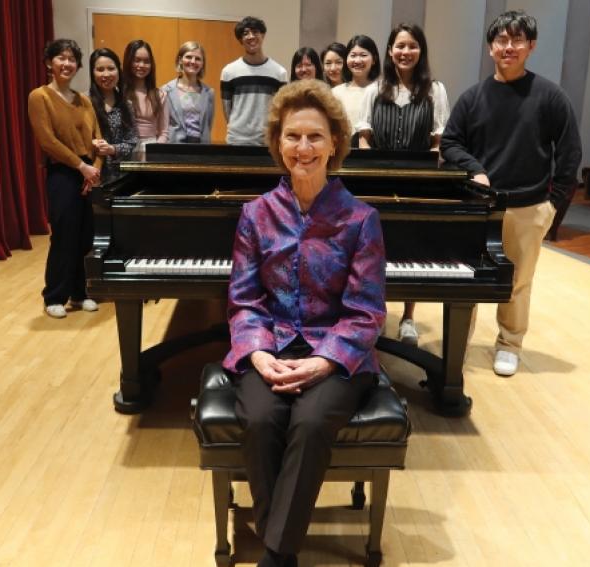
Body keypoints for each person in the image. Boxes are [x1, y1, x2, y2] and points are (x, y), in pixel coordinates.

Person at [223, 79, 386, 567]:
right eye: (293, 136)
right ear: (278, 143)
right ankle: (283, 549)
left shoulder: (361, 219)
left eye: (315, 136)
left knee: (312, 422)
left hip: (337, 354)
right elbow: (244, 299)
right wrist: (258, 353)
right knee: (258, 417)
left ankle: (276, 555)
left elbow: (366, 310)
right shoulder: (256, 214)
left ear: (335, 142)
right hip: (268, 348)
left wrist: (321, 362)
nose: (304, 147)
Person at [440, 10, 581, 376]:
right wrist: (476, 170)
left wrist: (552, 206)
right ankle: (460, 343)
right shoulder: (473, 98)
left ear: (530, 46)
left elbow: (570, 154)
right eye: (501, 40)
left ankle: (509, 344)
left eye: (517, 40)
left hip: (528, 206)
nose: (509, 47)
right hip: (479, 206)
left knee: (518, 281)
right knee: (468, 276)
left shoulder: (550, 96)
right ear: (491, 48)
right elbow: (451, 143)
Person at [357, 23, 450, 345]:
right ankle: (378, 311)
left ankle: (409, 317)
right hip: (378, 183)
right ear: (389, 51)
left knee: (413, 246)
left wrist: (426, 171)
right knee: (375, 248)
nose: (405, 52)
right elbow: (364, 138)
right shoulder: (374, 89)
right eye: (399, 46)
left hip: (416, 183)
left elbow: (439, 140)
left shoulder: (434, 90)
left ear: (421, 51)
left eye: (412, 46)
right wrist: (373, 171)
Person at [28, 39, 103, 318]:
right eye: (61, 58)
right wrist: (81, 167)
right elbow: (47, 141)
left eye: (72, 59)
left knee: (86, 235)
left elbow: (96, 139)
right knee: (64, 235)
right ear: (49, 62)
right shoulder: (40, 96)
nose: (67, 64)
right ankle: (54, 296)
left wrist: (94, 167)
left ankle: (80, 292)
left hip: (89, 172)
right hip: (63, 172)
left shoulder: (83, 99)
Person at [220, 16, 287, 145]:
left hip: (267, 143)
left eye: (255, 32)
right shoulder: (229, 72)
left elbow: (281, 111)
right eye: (245, 33)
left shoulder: (279, 73)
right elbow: (227, 110)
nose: (251, 36)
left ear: (263, 35)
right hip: (236, 141)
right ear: (240, 40)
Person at [89, 48, 138, 181]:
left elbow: (132, 142)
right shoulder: (84, 102)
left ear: (118, 71)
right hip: (91, 174)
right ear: (92, 73)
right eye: (100, 69)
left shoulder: (126, 104)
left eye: (111, 68)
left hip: (121, 176)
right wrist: (91, 143)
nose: (106, 74)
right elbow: (76, 139)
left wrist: (112, 149)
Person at [161, 41, 215, 144]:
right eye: (189, 57)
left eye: (198, 58)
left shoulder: (209, 93)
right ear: (180, 60)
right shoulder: (165, 90)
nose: (193, 61)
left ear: (202, 63)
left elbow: (208, 125)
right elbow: (163, 126)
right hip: (174, 150)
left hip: (201, 151)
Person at [122, 39, 169, 158]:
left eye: (146, 61)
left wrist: (155, 151)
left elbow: (164, 132)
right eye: (137, 60)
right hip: (125, 149)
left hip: (151, 150)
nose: (141, 65)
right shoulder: (119, 93)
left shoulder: (160, 94)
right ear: (128, 61)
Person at [332, 35, 380, 146]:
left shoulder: (381, 91)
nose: (357, 60)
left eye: (363, 55)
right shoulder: (335, 93)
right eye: (353, 55)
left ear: (374, 59)